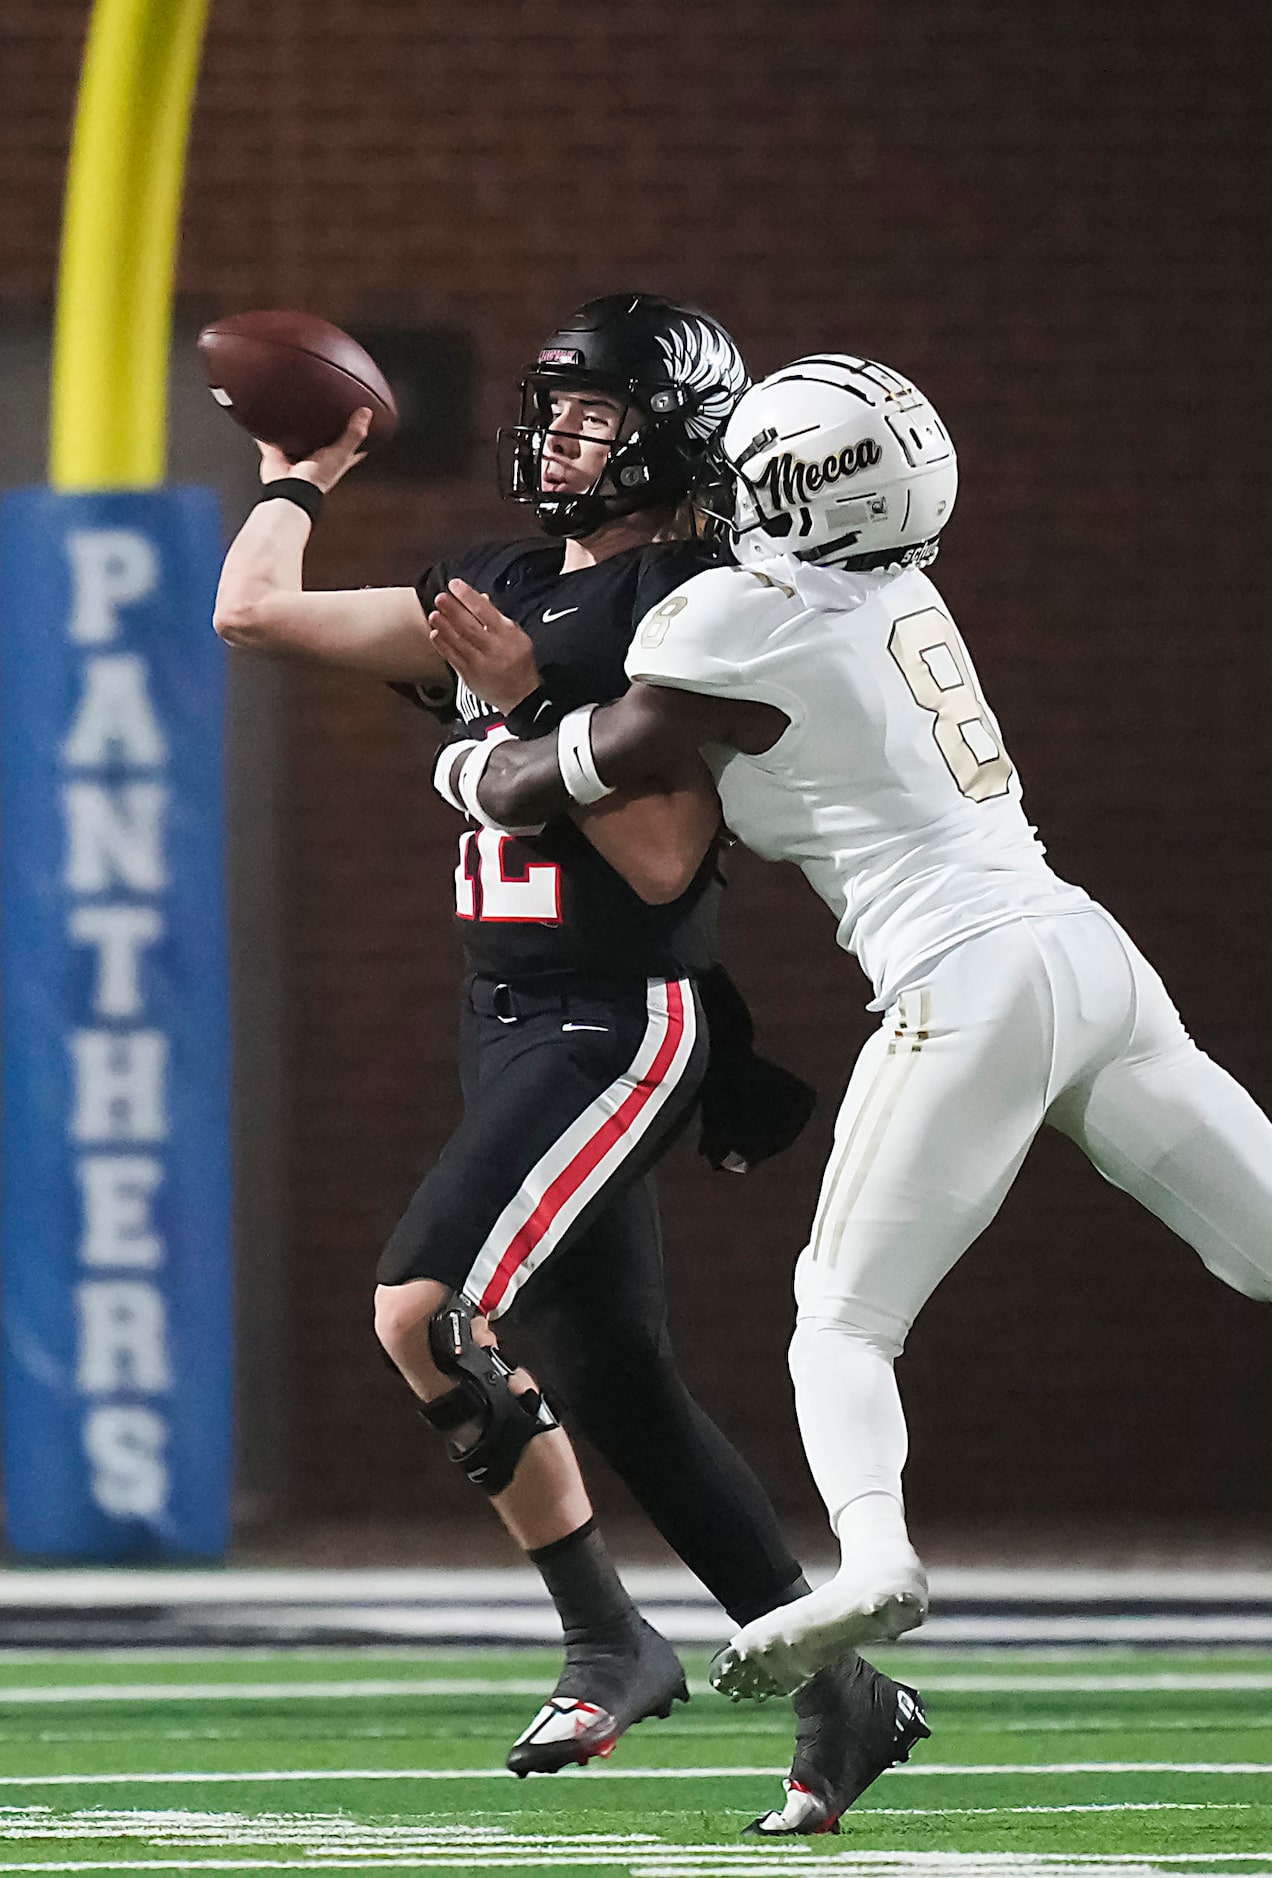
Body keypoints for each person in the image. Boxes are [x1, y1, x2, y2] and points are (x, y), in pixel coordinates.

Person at [432, 351, 1272, 1703]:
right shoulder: (899, 584)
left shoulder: (735, 622)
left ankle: (876, 1559)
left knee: (836, 1320)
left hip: (964, 976)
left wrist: (484, 724)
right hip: (1083, 951)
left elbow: (558, 775)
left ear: (783, 489)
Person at [210, 305, 927, 1833]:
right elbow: (255, 618)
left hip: (620, 1013)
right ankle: (840, 1686)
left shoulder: (690, 605)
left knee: (425, 1305)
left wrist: (527, 698)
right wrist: (301, 468)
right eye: (552, 407)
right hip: (511, 1013)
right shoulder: (511, 577)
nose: (556, 437)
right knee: (618, 1377)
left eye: (591, 414)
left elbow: (666, 864)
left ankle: (609, 1632)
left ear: (667, 435)